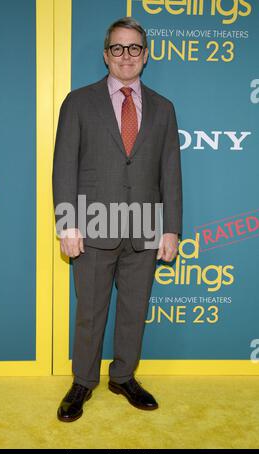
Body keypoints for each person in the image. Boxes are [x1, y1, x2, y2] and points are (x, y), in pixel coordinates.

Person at [52, 17, 182, 422]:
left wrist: (172, 228)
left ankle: (123, 376)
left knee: (133, 308)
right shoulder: (78, 101)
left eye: (135, 48)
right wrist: (66, 223)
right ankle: (83, 381)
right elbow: (64, 167)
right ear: (106, 54)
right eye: (118, 48)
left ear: (146, 54)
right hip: (91, 225)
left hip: (145, 227)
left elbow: (170, 173)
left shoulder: (163, 108)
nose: (127, 56)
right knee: (90, 310)